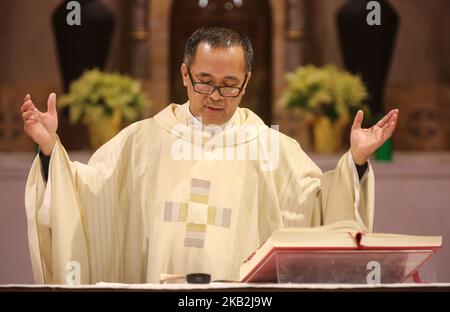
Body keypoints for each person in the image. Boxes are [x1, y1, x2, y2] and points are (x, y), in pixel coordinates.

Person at [21, 27, 398, 284]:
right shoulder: (142, 140)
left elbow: (319, 210)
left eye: (229, 85)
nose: (215, 95)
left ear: (247, 81)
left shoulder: (271, 146)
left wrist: (356, 163)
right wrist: (51, 149)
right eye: (204, 81)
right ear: (184, 74)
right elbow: (87, 194)